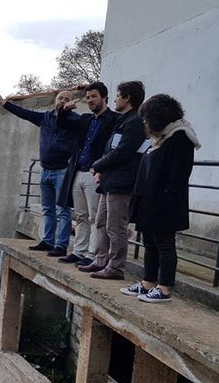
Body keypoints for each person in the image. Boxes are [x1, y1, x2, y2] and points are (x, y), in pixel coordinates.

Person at [120, 94, 198, 302]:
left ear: (158, 116)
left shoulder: (180, 137)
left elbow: (179, 175)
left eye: (147, 118)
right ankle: (148, 283)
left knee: (164, 244)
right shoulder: (159, 138)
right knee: (150, 244)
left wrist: (163, 199)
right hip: (149, 201)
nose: (145, 123)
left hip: (165, 204)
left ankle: (164, 289)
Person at [0, 90, 78, 257]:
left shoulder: (74, 120)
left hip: (62, 171)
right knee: (47, 209)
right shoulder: (45, 118)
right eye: (60, 98)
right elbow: (24, 113)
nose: (63, 101)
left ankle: (61, 245)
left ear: (71, 103)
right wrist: (3, 102)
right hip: (45, 170)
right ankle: (48, 241)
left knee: (63, 210)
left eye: (67, 99)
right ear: (55, 100)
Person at [78, 81, 147, 280]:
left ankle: (116, 267)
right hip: (110, 181)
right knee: (100, 222)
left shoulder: (135, 122)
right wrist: (102, 169)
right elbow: (112, 149)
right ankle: (100, 260)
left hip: (122, 182)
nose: (115, 99)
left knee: (116, 226)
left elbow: (123, 152)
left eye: (118, 95)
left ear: (127, 98)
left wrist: (97, 165)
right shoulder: (123, 120)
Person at [56, 82, 120, 266]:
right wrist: (65, 111)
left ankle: (93, 254)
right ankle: (79, 251)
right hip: (78, 171)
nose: (90, 100)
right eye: (88, 97)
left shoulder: (114, 120)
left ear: (104, 97)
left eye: (94, 96)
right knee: (81, 215)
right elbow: (61, 123)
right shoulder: (85, 119)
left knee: (95, 217)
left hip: (96, 173)